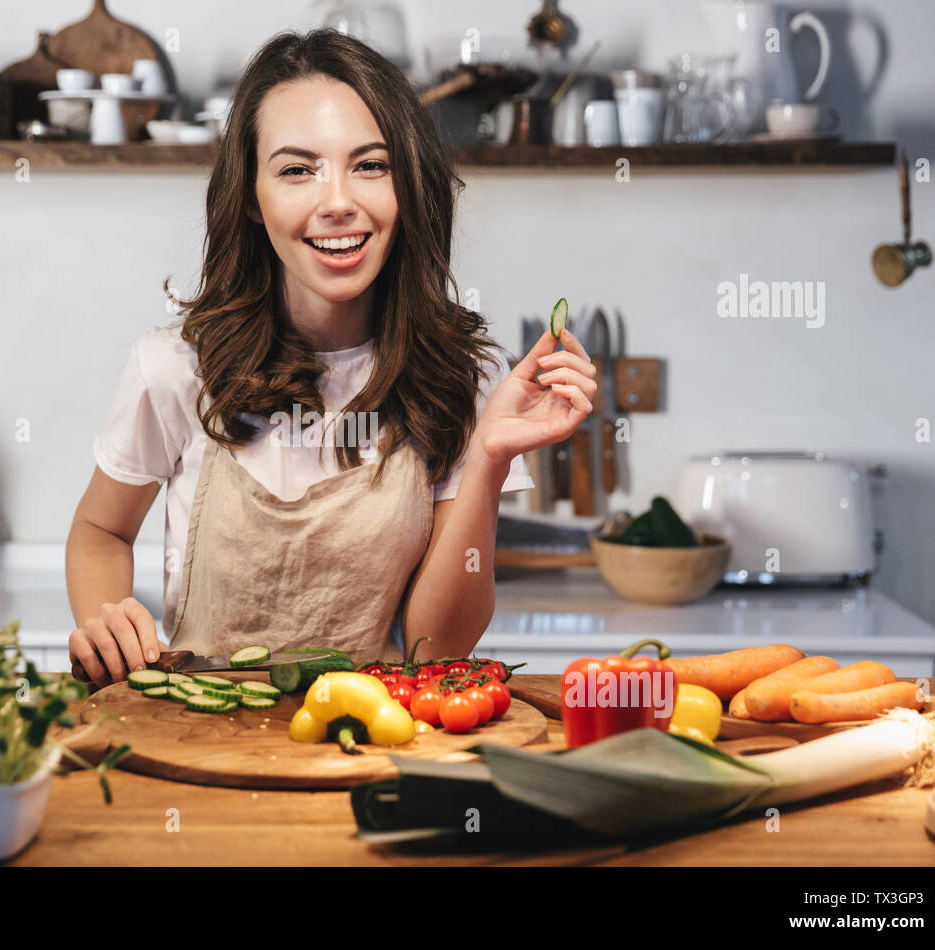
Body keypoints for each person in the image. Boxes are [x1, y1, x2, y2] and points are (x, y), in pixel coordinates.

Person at [66, 29, 596, 685]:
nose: (338, 201)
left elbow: (436, 652)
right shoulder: (178, 366)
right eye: (296, 169)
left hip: (368, 749)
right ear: (252, 199)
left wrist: (491, 456)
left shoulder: (463, 375)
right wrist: (108, 619)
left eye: (370, 165)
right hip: (197, 747)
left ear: (407, 186)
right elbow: (100, 532)